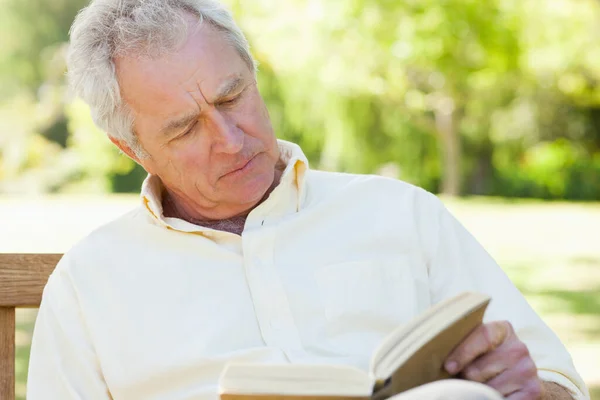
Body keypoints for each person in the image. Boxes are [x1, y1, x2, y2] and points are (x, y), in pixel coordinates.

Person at [27, 1, 589, 399]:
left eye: (232, 95)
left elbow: (558, 383)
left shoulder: (400, 213)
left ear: (253, 74)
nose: (231, 139)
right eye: (184, 129)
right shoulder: (90, 282)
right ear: (130, 147)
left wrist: (532, 390)